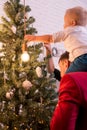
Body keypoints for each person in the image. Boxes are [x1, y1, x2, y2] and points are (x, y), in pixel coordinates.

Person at [25, 6, 87, 73]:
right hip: (82, 58)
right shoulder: (84, 31)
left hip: (82, 58)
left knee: (68, 76)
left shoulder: (70, 30)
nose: (64, 26)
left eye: (65, 23)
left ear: (73, 23)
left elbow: (50, 38)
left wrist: (34, 38)